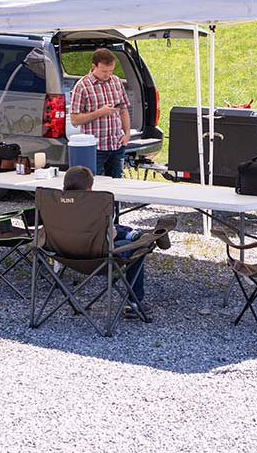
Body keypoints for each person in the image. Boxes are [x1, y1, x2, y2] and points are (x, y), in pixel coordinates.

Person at [62, 165, 158, 320]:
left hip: (64, 252)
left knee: (115, 230)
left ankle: (133, 234)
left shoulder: (55, 204)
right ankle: (134, 303)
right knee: (139, 245)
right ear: (89, 190)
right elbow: (109, 235)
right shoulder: (94, 206)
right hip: (98, 256)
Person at [69, 48, 130, 178]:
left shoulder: (116, 82)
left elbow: (123, 109)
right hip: (94, 147)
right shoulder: (82, 86)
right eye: (104, 71)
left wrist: (127, 134)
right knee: (92, 182)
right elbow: (74, 119)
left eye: (111, 71)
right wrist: (99, 112)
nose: (108, 75)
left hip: (116, 144)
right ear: (94, 66)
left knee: (117, 184)